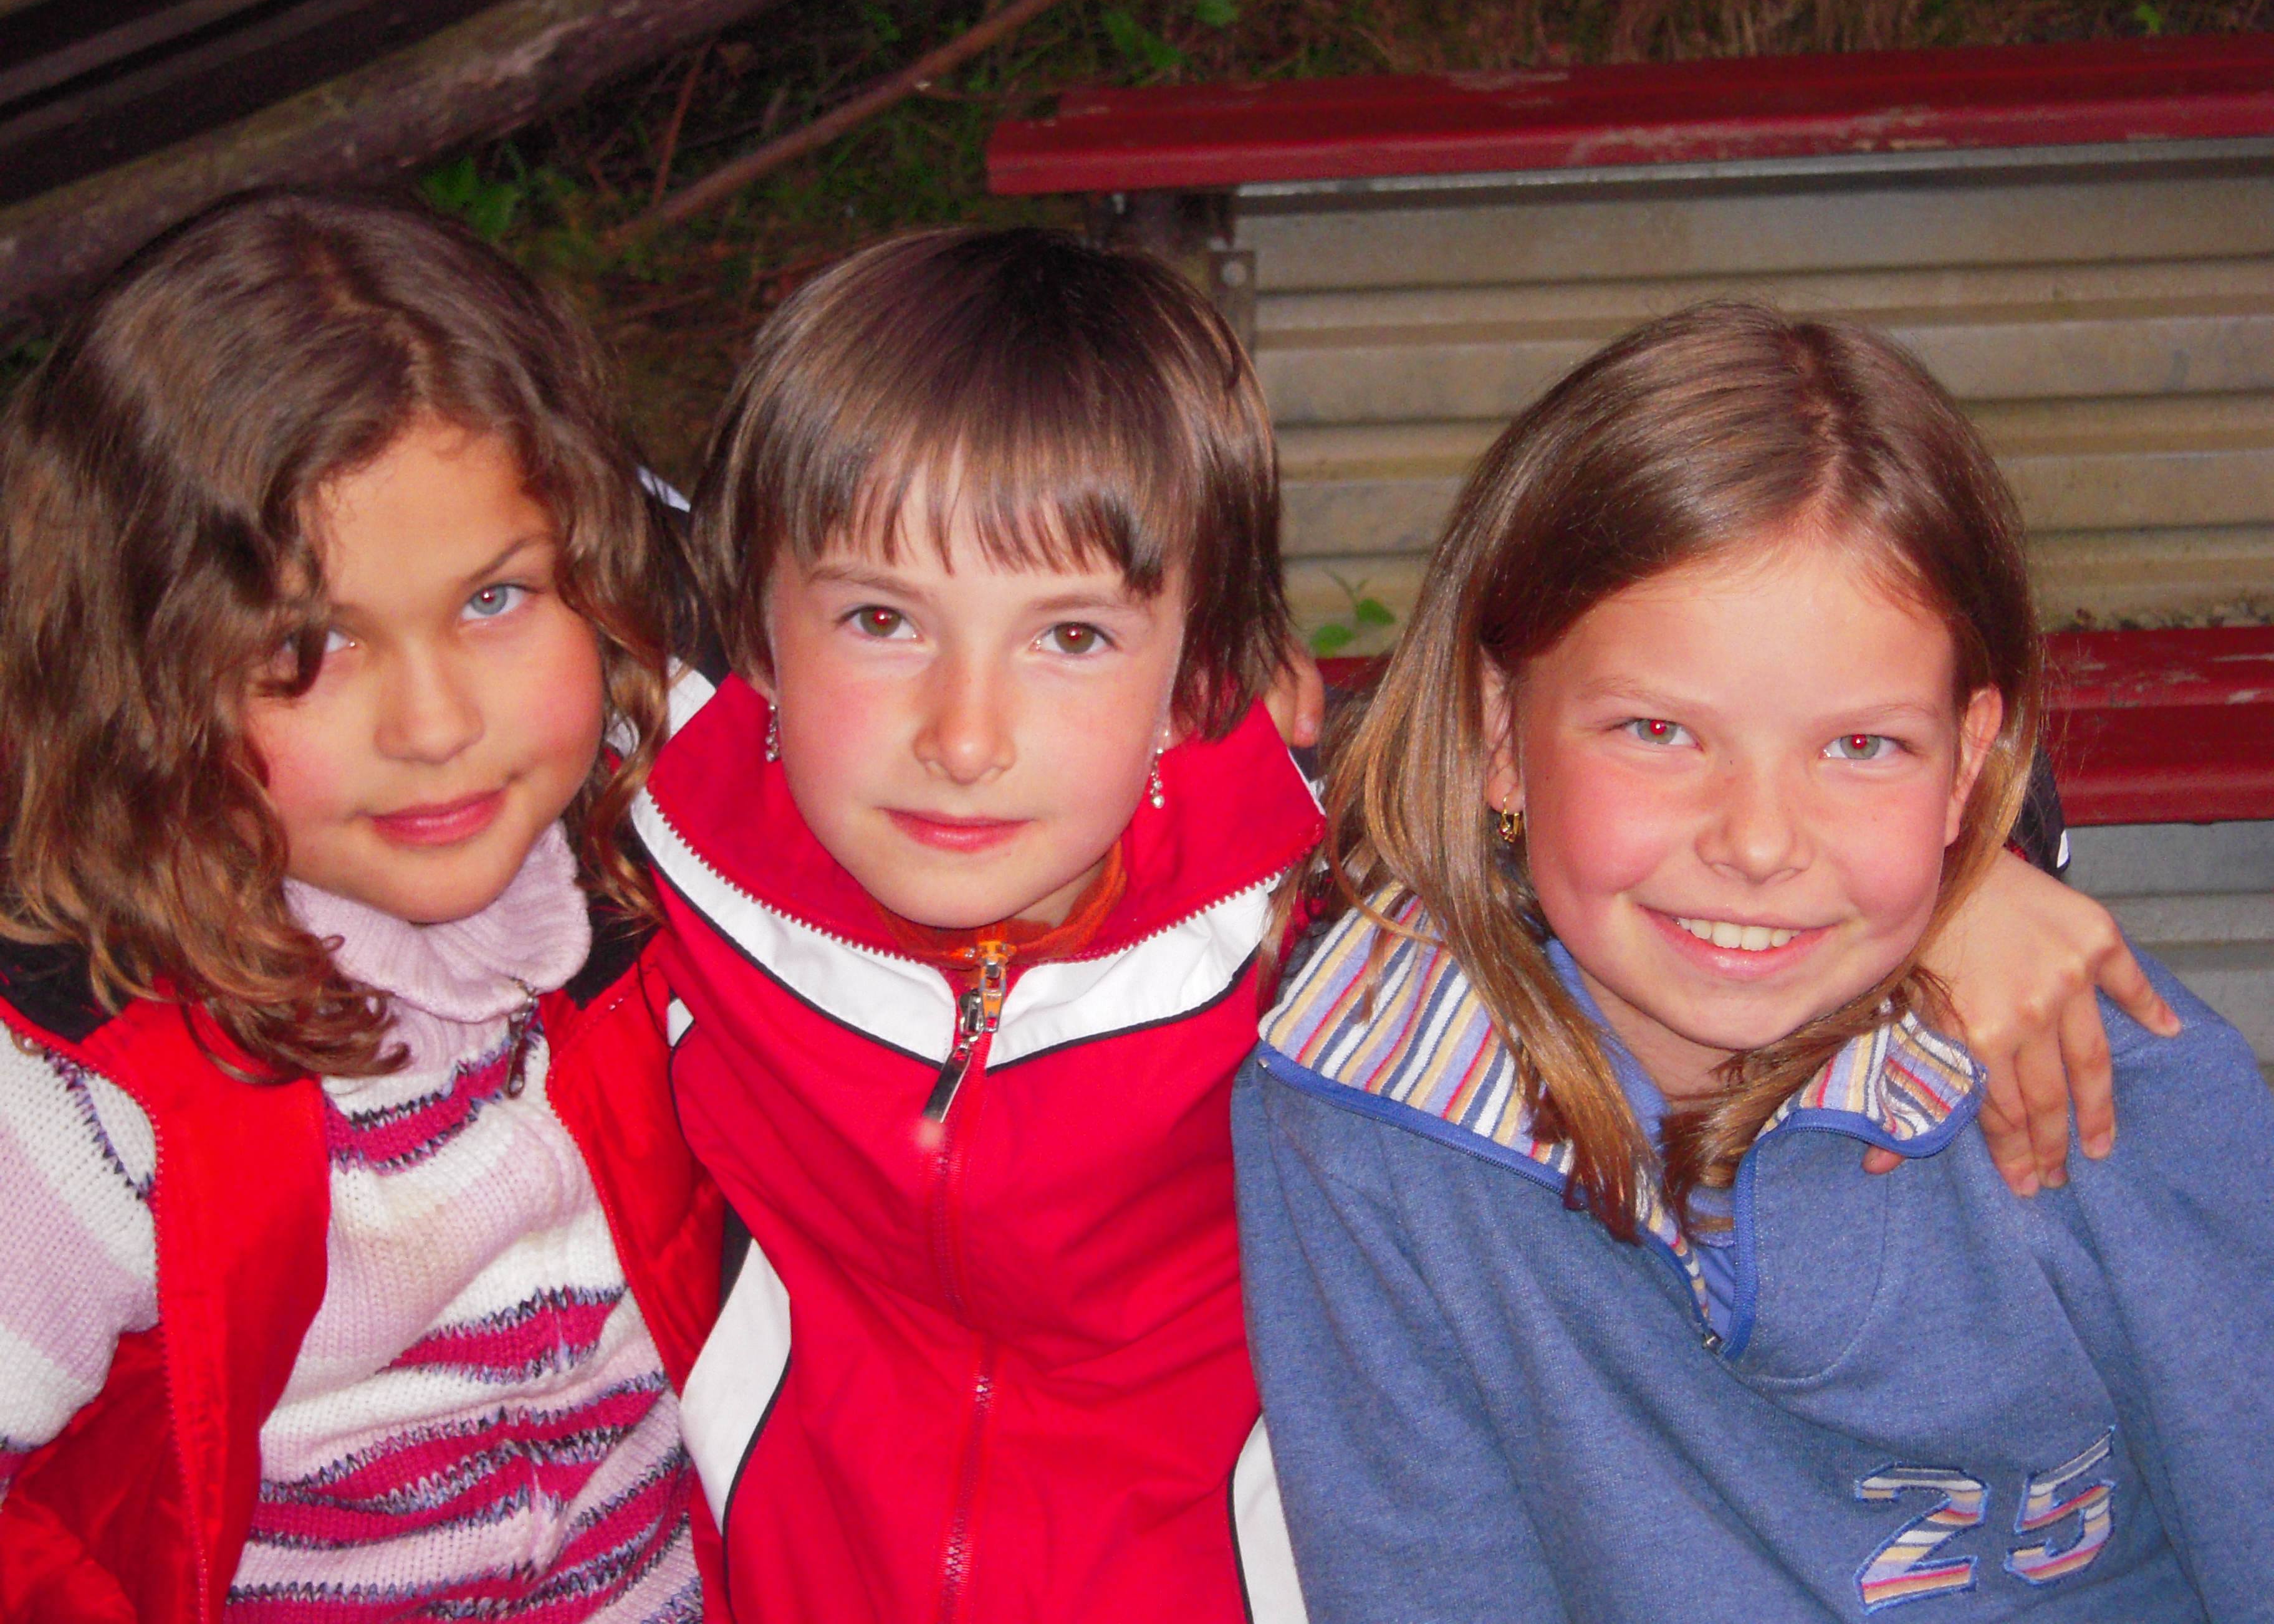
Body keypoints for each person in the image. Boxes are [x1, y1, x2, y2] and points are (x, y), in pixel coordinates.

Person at [643, 236, 2166, 1624]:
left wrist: (1981, 879)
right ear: (755, 630)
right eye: (881, 621)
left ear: (1204, 674)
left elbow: (1643, 813)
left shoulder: (1316, 907)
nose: (964, 738)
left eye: (1073, 636)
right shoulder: (662, 864)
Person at [1235, 302, 2272, 1622]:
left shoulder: (2100, 1079)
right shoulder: (1362, 1122)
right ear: (1502, 735)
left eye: (1861, 747)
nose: (1760, 841)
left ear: (1968, 763)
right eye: (1659, 730)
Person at [0, 192, 723, 1620]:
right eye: (312, 642)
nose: (435, 722)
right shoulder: (89, 1101)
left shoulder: (675, 893)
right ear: (140, 670)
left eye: (496, 600)